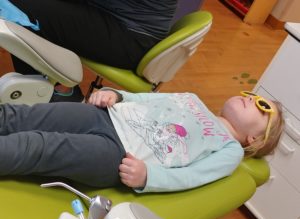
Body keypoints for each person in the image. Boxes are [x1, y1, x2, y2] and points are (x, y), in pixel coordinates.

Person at [0, 88, 284, 192]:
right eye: (252, 95)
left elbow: (192, 177)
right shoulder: (193, 99)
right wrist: (118, 95)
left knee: (38, 146)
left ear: (256, 139)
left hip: (119, 154)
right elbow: (148, 99)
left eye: (263, 107)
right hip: (106, 115)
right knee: (25, 116)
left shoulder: (230, 149)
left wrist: (150, 177)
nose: (251, 99)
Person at [1, 0, 179, 102]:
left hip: (132, 36)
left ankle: (48, 96)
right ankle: (54, 91)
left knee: (13, 7)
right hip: (120, 19)